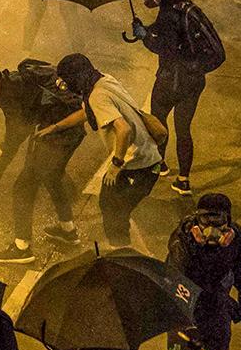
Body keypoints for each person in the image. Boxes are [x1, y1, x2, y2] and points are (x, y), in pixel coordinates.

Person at [0, 56, 84, 266]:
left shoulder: (9, 95)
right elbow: (20, 130)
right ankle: (68, 231)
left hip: (58, 134)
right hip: (70, 130)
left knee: (23, 188)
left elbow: (16, 132)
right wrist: (1, 150)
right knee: (52, 178)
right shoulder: (14, 81)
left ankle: (22, 248)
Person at [42, 54, 165, 251]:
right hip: (144, 161)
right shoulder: (103, 81)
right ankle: (129, 250)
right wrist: (57, 127)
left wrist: (116, 165)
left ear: (76, 78)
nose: (65, 85)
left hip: (139, 166)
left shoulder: (97, 96)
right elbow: (88, 112)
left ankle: (123, 253)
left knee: (114, 212)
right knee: (114, 208)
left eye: (66, 80)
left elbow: (124, 130)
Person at [134, 0, 224, 197]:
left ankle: (159, 164)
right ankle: (184, 180)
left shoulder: (168, 14)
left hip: (170, 80)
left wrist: (144, 36)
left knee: (158, 122)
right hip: (193, 80)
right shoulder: (188, 9)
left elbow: (164, 46)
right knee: (183, 129)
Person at [165, 193, 241, 350]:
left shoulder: (236, 236)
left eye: (217, 220)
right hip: (184, 311)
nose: (211, 227)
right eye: (206, 219)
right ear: (197, 218)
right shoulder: (181, 242)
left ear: (228, 220)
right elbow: (176, 284)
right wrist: (186, 327)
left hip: (216, 307)